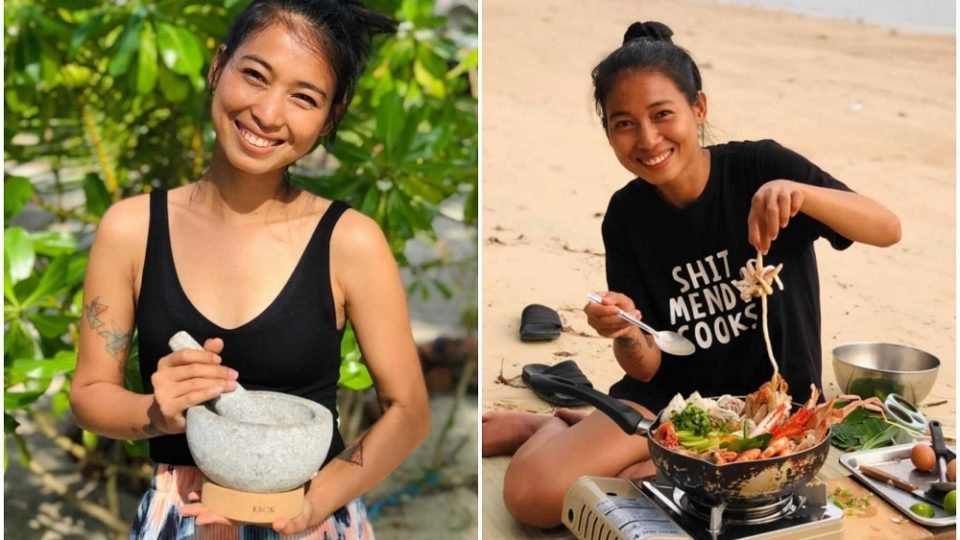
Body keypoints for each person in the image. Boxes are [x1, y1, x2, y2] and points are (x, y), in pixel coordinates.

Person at [481, 20, 900, 528]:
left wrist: (801, 193)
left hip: (774, 416)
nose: (648, 139)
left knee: (687, 492)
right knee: (532, 497)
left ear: (697, 109)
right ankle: (550, 432)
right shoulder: (627, 215)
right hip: (670, 408)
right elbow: (647, 368)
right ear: (609, 131)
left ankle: (577, 433)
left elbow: (886, 228)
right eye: (624, 123)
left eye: (662, 115)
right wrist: (625, 330)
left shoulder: (759, 168)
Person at [69, 1, 431, 537]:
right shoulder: (132, 230)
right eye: (254, 75)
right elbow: (89, 394)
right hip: (180, 516)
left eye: (303, 98)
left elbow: (409, 411)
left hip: (310, 517)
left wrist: (309, 505)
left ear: (331, 116)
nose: (267, 113)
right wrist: (156, 412)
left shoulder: (350, 242)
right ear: (218, 67)